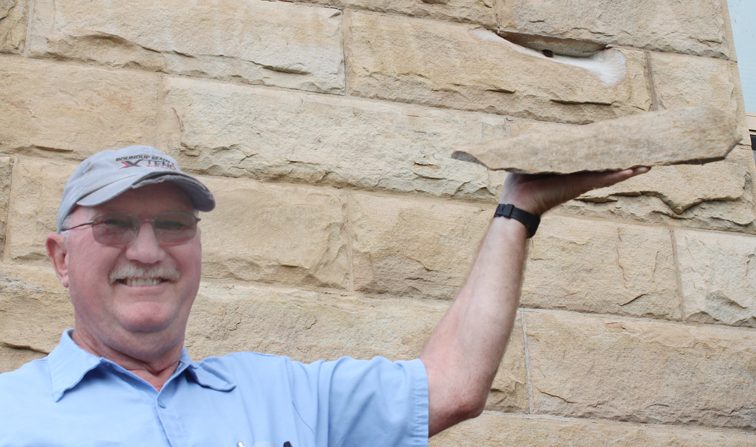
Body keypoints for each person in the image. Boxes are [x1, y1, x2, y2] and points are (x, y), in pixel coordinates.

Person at [0, 145, 648, 446]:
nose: (147, 250)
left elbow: (451, 383)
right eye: (115, 224)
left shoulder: (289, 397)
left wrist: (519, 206)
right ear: (61, 257)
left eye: (172, 224)